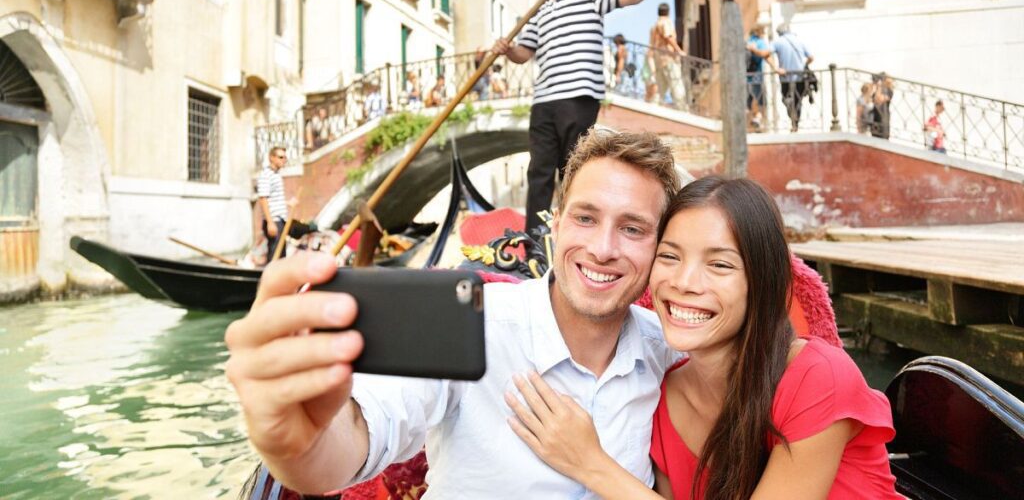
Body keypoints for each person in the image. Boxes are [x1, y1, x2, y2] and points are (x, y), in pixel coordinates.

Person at [224, 129, 683, 497]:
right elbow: (365, 429)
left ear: (660, 248)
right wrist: (304, 445)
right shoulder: (469, 326)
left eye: (632, 229)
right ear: (557, 224)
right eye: (585, 218)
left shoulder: (670, 352)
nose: (603, 249)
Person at [506, 175, 902, 500]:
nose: (684, 283)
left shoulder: (818, 377)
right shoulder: (662, 397)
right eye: (670, 256)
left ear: (762, 281)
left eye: (719, 265)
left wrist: (589, 463)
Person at [492, 0, 646, 235]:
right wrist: (507, 50)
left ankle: (573, 236)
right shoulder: (537, 7)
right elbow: (524, 54)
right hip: (543, 100)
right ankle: (536, 243)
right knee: (538, 173)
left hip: (578, 96)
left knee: (573, 173)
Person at [770, 24, 813, 132]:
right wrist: (803, 65)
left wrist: (775, 68)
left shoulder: (778, 42)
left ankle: (794, 122)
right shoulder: (799, 41)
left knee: (786, 99)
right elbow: (811, 57)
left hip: (786, 78)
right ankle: (795, 124)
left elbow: (766, 53)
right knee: (798, 102)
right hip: (800, 77)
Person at [649, 2, 688, 110]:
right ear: (668, 12)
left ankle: (654, 107)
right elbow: (668, 37)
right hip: (668, 57)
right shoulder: (665, 22)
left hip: (658, 59)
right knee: (676, 84)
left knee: (660, 88)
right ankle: (682, 109)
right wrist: (679, 51)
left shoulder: (654, 26)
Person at [256, 146, 290, 263]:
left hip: (280, 220)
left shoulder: (276, 175)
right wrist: (270, 223)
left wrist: (288, 203)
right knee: (275, 255)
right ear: (271, 158)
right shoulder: (266, 175)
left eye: (284, 158)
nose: (284, 160)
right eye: (281, 157)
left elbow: (274, 199)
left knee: (281, 255)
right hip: (274, 221)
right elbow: (263, 198)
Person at [745, 25, 777, 132]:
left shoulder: (747, 41)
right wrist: (775, 68)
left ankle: (747, 126)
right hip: (756, 77)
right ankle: (759, 121)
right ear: (760, 32)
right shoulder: (760, 42)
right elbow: (765, 55)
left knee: (748, 103)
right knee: (762, 102)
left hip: (745, 77)